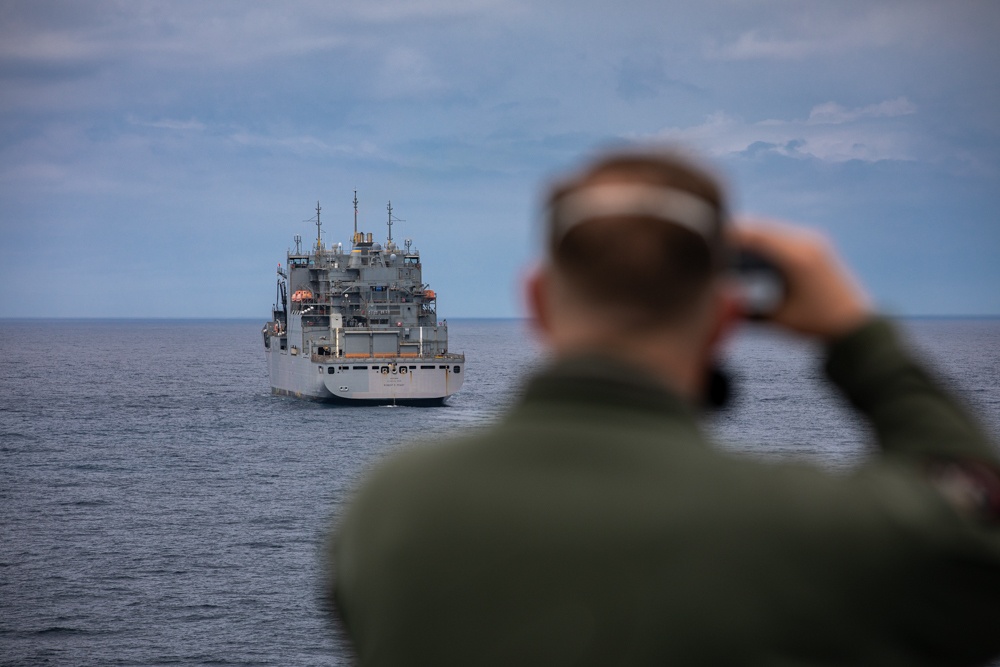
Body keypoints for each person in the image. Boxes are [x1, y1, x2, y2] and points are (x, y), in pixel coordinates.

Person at [326, 147, 1000, 666]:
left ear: (536, 299)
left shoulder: (388, 509)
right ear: (725, 315)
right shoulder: (804, 529)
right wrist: (858, 335)